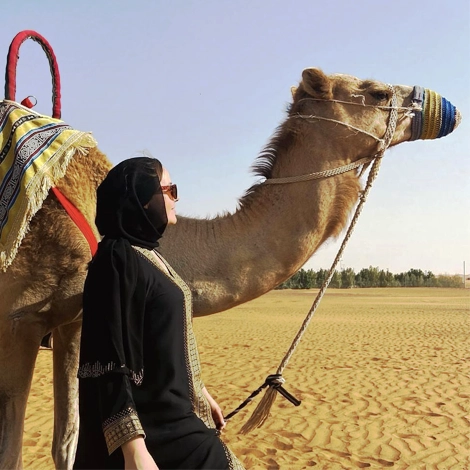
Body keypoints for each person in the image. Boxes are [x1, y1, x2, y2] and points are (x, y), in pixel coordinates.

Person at [73, 157, 243, 470]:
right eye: (170, 189)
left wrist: (200, 392)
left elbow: (159, 342)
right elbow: (108, 360)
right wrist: (133, 449)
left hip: (177, 417)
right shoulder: (115, 260)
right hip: (152, 430)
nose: (176, 199)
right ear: (142, 197)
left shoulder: (149, 256)